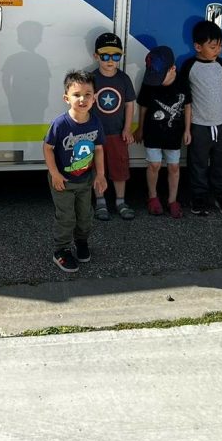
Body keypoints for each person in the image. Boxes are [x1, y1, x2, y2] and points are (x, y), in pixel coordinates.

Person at [43, 71, 107, 273]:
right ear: (66, 98)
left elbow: (98, 149)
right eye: (77, 94)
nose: (82, 99)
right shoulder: (60, 124)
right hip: (62, 180)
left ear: (95, 97)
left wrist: (100, 174)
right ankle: (60, 250)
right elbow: (48, 148)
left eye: (88, 94)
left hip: (85, 180)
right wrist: (54, 173)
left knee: (84, 215)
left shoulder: (95, 122)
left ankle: (81, 242)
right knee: (66, 217)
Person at [180, 20, 222, 216]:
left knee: (221, 164)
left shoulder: (221, 64)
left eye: (220, 45)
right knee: (198, 164)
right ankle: (199, 197)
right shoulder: (189, 66)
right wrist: (187, 129)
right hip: (199, 126)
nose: (218, 50)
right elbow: (185, 97)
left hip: (221, 125)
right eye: (212, 47)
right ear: (197, 46)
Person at [135, 45, 189, 219]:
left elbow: (188, 106)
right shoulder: (149, 80)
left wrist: (188, 129)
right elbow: (143, 106)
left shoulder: (182, 81)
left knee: (174, 167)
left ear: (172, 68)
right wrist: (140, 128)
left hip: (174, 134)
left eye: (160, 77)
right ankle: (152, 197)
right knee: (154, 165)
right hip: (152, 132)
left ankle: (172, 200)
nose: (155, 81)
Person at [90, 32, 137, 221]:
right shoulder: (91, 78)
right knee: (97, 168)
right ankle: (100, 201)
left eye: (116, 56)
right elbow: (84, 104)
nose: (110, 60)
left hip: (117, 134)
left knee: (119, 168)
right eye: (105, 56)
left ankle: (120, 201)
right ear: (96, 56)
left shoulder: (123, 79)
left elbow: (129, 104)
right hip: (95, 136)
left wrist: (127, 128)